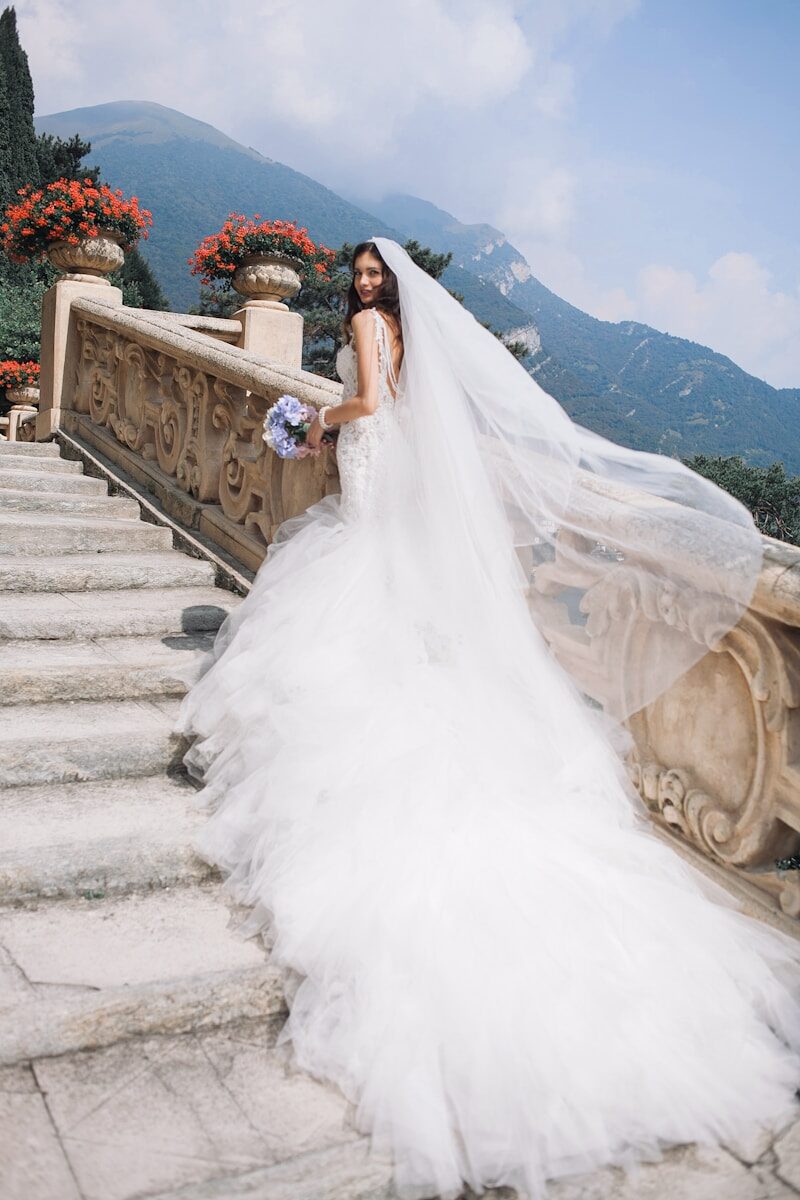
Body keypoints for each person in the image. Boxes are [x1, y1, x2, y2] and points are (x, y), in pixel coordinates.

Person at [176, 238, 800, 1200]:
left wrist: (311, 420)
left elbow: (373, 405)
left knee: (349, 583)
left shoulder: (360, 328)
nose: (370, 283)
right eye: (366, 272)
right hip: (398, 465)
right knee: (385, 602)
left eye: (379, 274)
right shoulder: (402, 330)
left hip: (373, 457)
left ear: (389, 286)